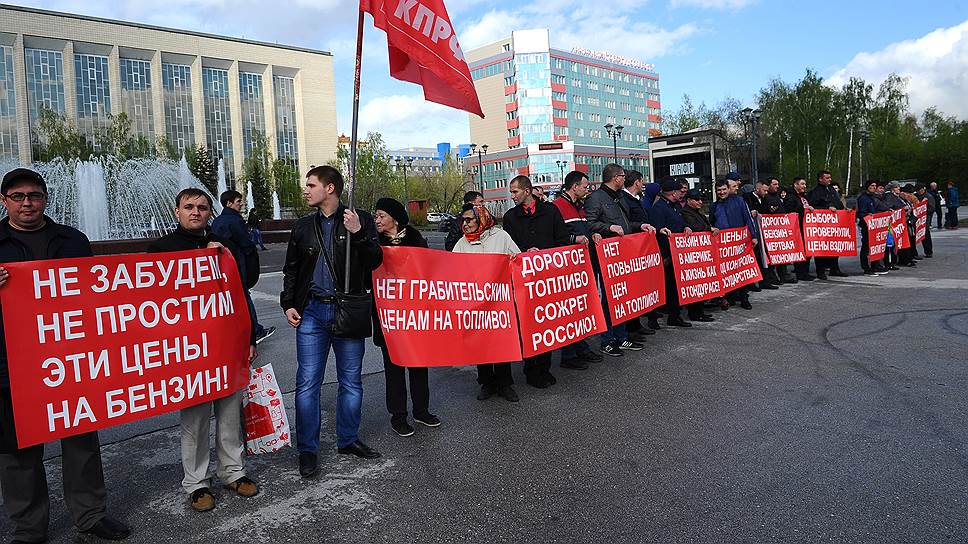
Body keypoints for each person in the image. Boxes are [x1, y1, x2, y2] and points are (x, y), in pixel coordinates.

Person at [0, 168, 131, 542]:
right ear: (5, 200)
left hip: (69, 359)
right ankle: (29, 527)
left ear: (45, 198)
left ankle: (90, 515)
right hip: (10, 363)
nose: (28, 203)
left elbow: (96, 296)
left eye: (35, 195)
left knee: (80, 441)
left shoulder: (72, 240)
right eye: (18, 196)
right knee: (16, 450)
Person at [147, 188, 260, 512]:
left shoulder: (221, 247)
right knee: (195, 419)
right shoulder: (160, 249)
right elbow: (148, 303)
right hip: (188, 350)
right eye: (189, 207)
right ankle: (196, 483)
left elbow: (240, 294)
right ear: (177, 211)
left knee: (229, 414)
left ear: (210, 212)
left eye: (201, 207)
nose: (195, 212)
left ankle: (233, 472)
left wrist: (249, 336)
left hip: (225, 344)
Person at [281, 165, 384, 479]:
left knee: (350, 381)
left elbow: (375, 261)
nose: (306, 190)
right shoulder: (302, 227)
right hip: (311, 312)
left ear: (329, 188)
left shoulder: (359, 219)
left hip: (347, 311)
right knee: (307, 384)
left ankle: (348, 440)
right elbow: (292, 270)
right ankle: (308, 450)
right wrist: (288, 303)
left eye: (311, 185)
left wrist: (360, 234)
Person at [371, 198, 439, 437]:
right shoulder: (373, 242)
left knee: (419, 365)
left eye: (381, 216)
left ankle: (422, 410)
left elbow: (429, 271)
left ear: (395, 219)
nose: (377, 220)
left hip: (414, 315)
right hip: (388, 317)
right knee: (394, 369)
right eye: (376, 216)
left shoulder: (416, 240)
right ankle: (398, 416)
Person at [503, 176, 570, 388]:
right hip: (524, 279)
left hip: (548, 277)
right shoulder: (510, 217)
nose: (512, 196)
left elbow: (561, 240)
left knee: (548, 322)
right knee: (529, 325)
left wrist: (548, 258)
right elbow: (509, 248)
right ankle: (531, 369)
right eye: (511, 192)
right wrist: (525, 254)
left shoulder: (550, 211)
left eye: (515, 192)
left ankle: (545, 367)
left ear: (528, 191)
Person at [453, 204, 521, 402]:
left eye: (469, 220)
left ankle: (504, 384)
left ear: (481, 218)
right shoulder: (462, 243)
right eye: (463, 220)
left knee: (500, 343)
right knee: (481, 345)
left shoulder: (501, 237)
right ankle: (486, 383)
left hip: (499, 302)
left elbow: (516, 260)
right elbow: (454, 271)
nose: (465, 224)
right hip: (476, 305)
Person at [584, 163, 653, 357]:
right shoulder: (596, 198)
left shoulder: (619, 196)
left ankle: (621, 336)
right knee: (608, 299)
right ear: (616, 178)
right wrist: (608, 228)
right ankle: (607, 340)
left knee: (621, 298)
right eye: (623, 176)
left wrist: (641, 225)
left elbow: (625, 224)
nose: (625, 179)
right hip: (606, 257)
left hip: (622, 256)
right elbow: (589, 225)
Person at [552, 171, 606, 369]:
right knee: (568, 311)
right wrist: (574, 239)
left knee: (579, 310)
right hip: (567, 268)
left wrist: (594, 235)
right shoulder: (557, 207)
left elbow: (585, 230)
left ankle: (580, 347)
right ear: (574, 186)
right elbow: (556, 235)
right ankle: (568, 354)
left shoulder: (579, 207)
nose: (587, 188)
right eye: (585, 185)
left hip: (582, 266)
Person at [213, 191, 276, 345]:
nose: (240, 204)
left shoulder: (217, 221)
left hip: (222, 267)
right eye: (238, 201)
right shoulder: (235, 220)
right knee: (244, 298)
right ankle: (256, 331)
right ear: (228, 203)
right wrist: (251, 259)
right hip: (237, 266)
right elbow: (246, 244)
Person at [651, 180, 713, 326]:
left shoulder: (674, 206)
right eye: (680, 191)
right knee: (672, 288)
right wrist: (664, 256)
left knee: (677, 287)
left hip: (678, 254)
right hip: (668, 254)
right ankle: (673, 316)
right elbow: (657, 231)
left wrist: (686, 227)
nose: (682, 194)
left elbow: (679, 222)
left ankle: (676, 315)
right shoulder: (658, 208)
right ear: (673, 193)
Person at [618, 170, 655, 342]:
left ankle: (637, 324)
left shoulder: (636, 199)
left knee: (639, 288)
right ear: (637, 183)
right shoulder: (625, 199)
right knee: (632, 288)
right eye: (642, 181)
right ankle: (630, 328)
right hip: (631, 247)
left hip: (640, 248)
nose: (644, 184)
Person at [711, 176, 757, 309]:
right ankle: (730, 297)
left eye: (724, 189)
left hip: (740, 243)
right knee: (727, 271)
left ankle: (744, 298)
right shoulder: (714, 206)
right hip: (724, 245)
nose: (722, 192)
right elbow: (712, 223)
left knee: (741, 270)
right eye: (719, 190)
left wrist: (753, 236)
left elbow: (748, 218)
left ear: (728, 189)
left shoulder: (739, 201)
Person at [807, 170, 848, 279]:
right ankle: (820, 271)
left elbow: (837, 202)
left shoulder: (831, 189)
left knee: (834, 246)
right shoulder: (815, 192)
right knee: (821, 248)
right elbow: (813, 206)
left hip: (834, 223)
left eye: (830, 177)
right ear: (820, 179)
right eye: (827, 178)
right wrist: (827, 209)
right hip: (821, 225)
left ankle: (835, 268)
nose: (830, 180)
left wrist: (844, 210)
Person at [784, 176, 815, 281]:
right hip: (798, 227)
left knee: (807, 251)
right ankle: (800, 272)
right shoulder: (790, 197)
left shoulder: (803, 196)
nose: (804, 186)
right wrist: (803, 208)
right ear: (795, 185)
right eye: (802, 184)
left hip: (806, 227)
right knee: (800, 251)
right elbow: (788, 210)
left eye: (805, 184)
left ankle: (805, 271)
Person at [856, 180, 880, 275]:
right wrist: (867, 215)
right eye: (872, 185)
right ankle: (866, 267)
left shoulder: (873, 197)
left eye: (875, 186)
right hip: (866, 225)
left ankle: (875, 265)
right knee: (866, 246)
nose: (874, 187)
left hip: (873, 224)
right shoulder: (863, 198)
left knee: (874, 246)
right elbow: (861, 212)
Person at [916, 183, 934, 258]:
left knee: (926, 233)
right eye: (918, 190)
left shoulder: (929, 197)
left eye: (920, 190)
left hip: (926, 217)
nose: (919, 191)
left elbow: (932, 208)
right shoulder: (916, 196)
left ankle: (929, 251)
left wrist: (923, 211)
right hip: (918, 218)